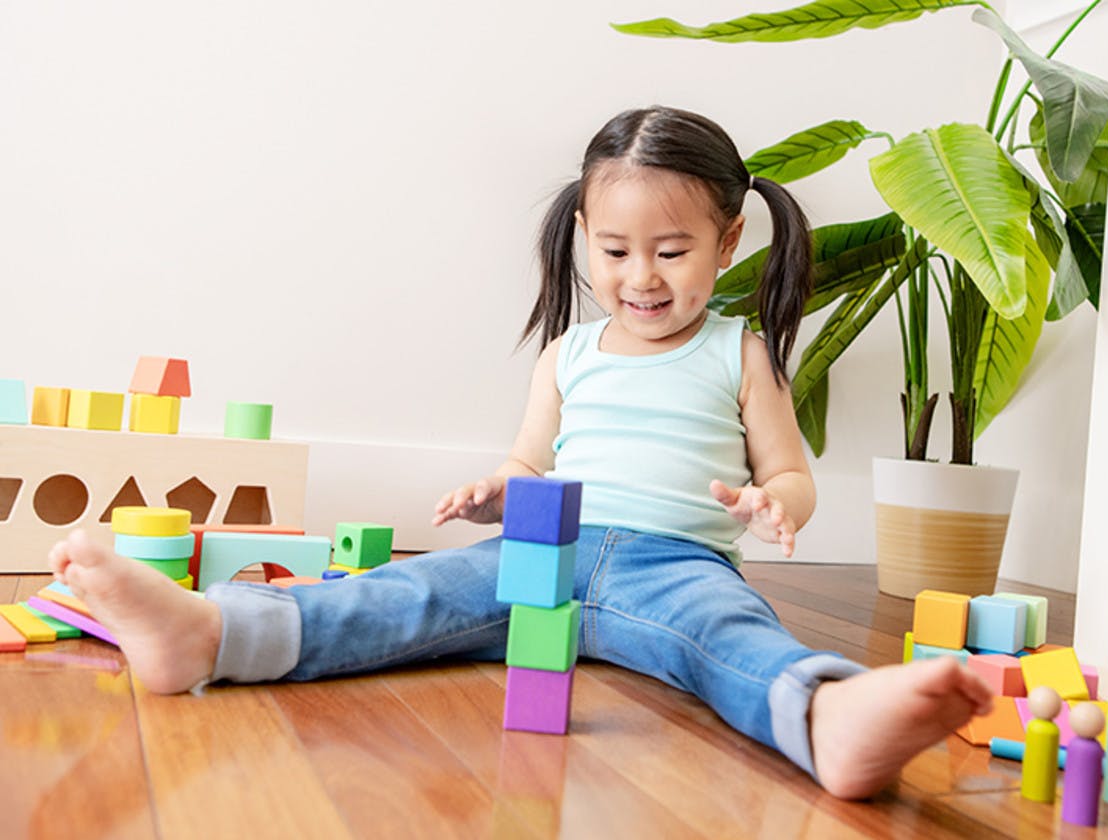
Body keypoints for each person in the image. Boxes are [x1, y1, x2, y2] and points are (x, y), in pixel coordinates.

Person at [48, 106, 993, 800]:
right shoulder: (567, 354)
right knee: (407, 597)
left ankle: (828, 717)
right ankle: (212, 635)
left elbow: (790, 472)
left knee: (729, 643)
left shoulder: (739, 353)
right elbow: (532, 464)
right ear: (584, 236)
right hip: (546, 552)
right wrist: (499, 491)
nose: (642, 277)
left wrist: (776, 503)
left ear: (728, 240)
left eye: (671, 250)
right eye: (617, 251)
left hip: (679, 563)